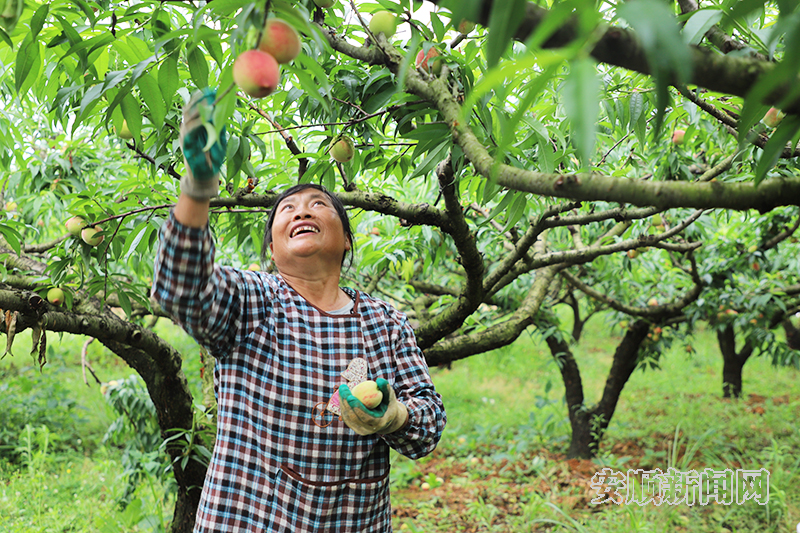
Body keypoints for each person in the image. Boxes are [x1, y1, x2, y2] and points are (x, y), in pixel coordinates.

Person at [152, 89, 446, 532]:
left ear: (346, 240)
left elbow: (429, 422)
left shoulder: (385, 324)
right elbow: (181, 289)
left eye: (318, 205)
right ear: (272, 247)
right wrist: (196, 190)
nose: (301, 211)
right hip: (248, 520)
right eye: (286, 209)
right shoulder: (255, 300)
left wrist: (393, 416)